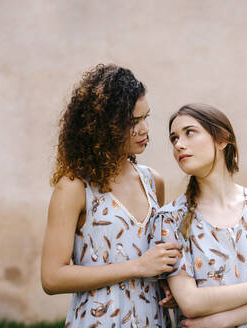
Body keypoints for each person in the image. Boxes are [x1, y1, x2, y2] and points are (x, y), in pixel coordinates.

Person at [41, 64, 179, 327]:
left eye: (145, 117)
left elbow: (155, 260)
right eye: (132, 122)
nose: (144, 129)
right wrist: (138, 267)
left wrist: (169, 288)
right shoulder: (74, 187)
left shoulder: (153, 182)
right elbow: (52, 277)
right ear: (102, 126)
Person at [152, 103, 247, 328]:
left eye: (189, 133)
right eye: (174, 138)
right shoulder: (170, 219)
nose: (179, 145)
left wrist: (220, 321)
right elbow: (191, 303)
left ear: (222, 140)